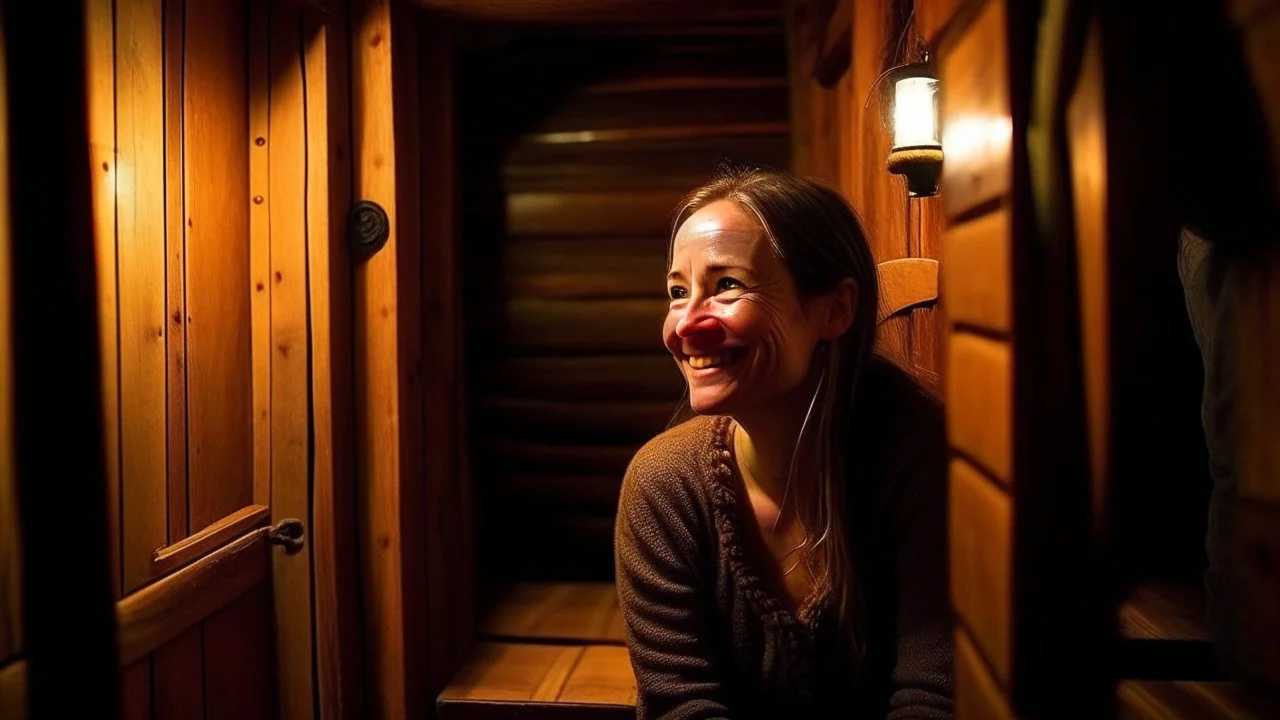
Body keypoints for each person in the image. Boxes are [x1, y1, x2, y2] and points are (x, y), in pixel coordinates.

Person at [614, 165, 954, 718]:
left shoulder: (920, 464)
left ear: (835, 309)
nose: (685, 326)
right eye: (678, 292)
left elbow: (937, 699)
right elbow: (680, 705)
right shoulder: (663, 487)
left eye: (727, 285)